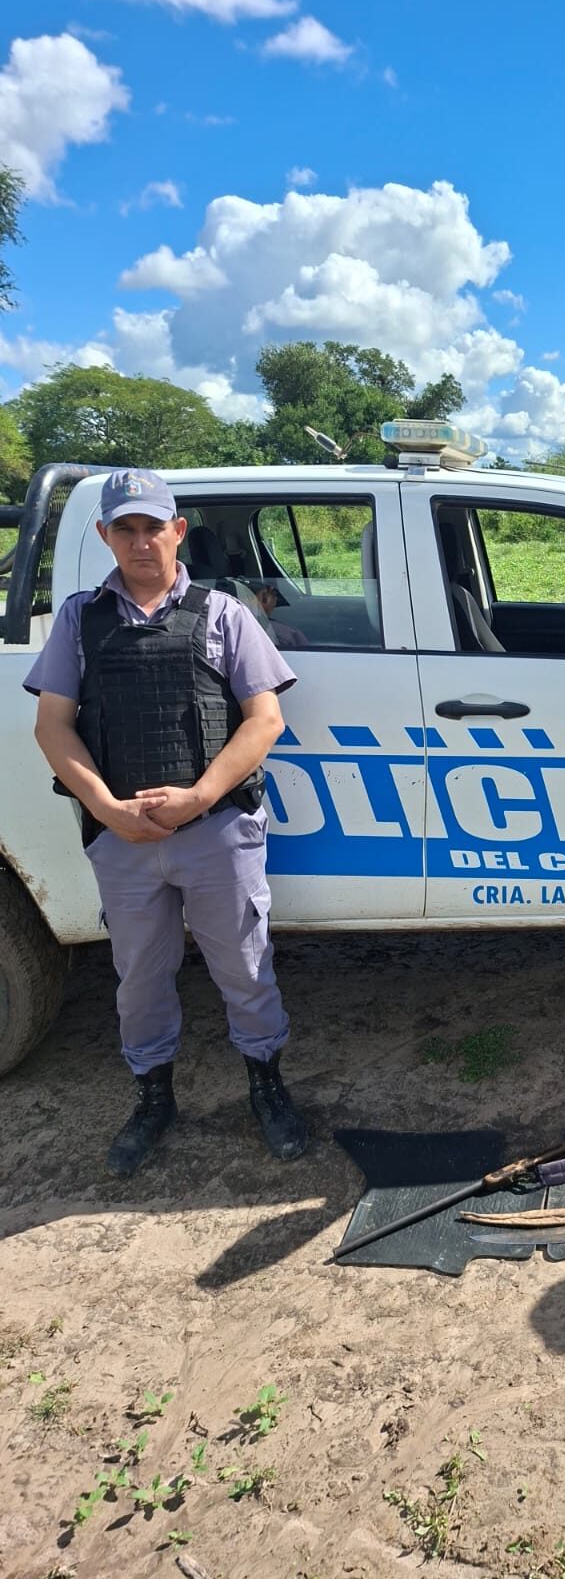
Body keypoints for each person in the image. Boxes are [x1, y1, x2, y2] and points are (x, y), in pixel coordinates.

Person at [24, 468, 308, 1175]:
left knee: (245, 967)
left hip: (215, 832)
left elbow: (264, 719)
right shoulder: (80, 620)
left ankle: (266, 1086)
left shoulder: (223, 614)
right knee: (139, 979)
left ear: (178, 531)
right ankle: (154, 1098)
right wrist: (106, 808)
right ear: (105, 536)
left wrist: (199, 797)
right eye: (126, 528)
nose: (142, 541)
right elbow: (54, 727)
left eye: (155, 526)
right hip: (122, 838)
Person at [244, 578, 310, 650]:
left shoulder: (233, 628)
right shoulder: (290, 636)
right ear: (265, 597)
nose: (275, 604)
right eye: (275, 596)